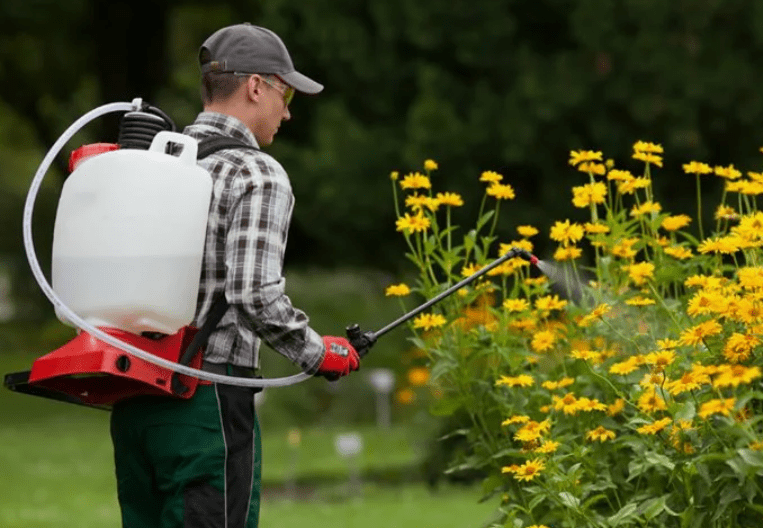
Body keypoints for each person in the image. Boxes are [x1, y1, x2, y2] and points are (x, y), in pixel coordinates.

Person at [110, 22, 361, 528]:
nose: (287, 111)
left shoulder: (149, 166)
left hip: (135, 399)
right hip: (207, 401)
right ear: (255, 87)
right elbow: (254, 293)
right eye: (285, 93)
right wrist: (319, 354)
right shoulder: (256, 172)